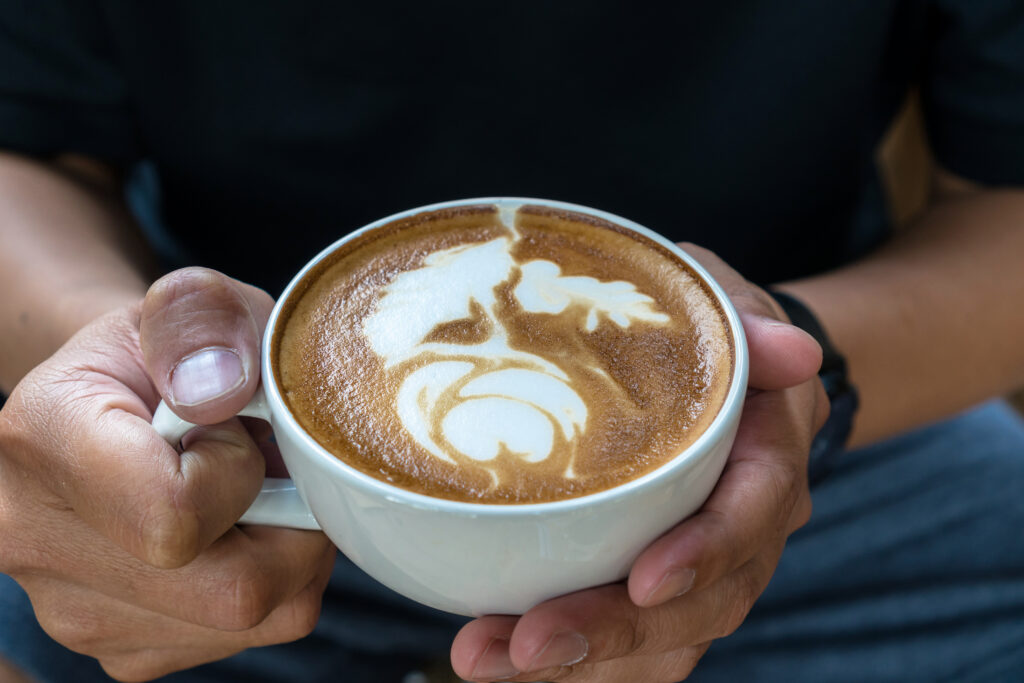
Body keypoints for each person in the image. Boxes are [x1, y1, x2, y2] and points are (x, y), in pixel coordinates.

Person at [1, 2, 1023, 682]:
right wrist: (125, 388)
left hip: (792, 440)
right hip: (236, 463)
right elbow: (29, 151)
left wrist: (802, 367)